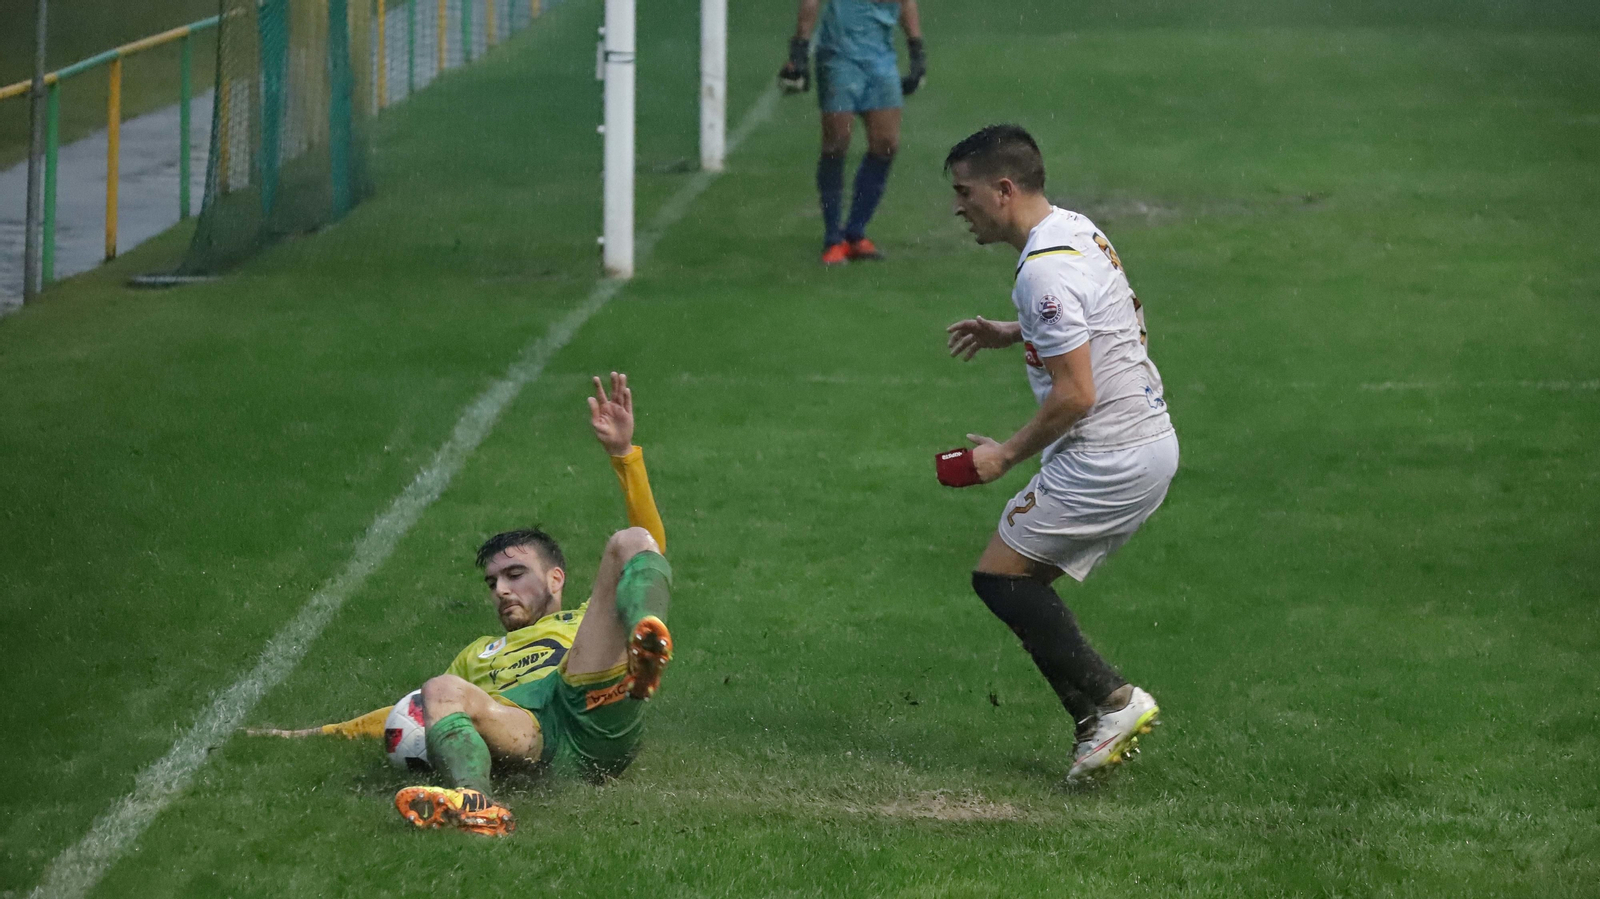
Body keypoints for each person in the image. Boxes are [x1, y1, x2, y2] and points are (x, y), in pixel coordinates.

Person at [249, 373, 674, 835]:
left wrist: (623, 456)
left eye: (515, 575)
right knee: (439, 688)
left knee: (631, 540)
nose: (502, 590)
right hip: (533, 737)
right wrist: (314, 734)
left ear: (556, 578)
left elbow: (648, 545)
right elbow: (407, 713)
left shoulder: (585, 619)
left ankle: (645, 641)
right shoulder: (479, 653)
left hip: (595, 707)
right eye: (492, 582)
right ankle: (477, 803)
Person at [939, 125, 1178, 782]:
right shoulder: (1075, 228)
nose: (959, 207)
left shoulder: (1043, 269)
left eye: (965, 192)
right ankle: (1094, 722)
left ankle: (1111, 703)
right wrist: (1013, 331)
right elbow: (1105, 312)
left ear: (1004, 189)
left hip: (1109, 455)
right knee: (1023, 581)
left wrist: (1005, 455)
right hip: (1147, 439)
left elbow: (1075, 394)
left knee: (1000, 577)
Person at [779, 0, 925, 266]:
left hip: (881, 58)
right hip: (838, 56)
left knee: (887, 144)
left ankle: (856, 232)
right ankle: (833, 238)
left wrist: (916, 49)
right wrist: (799, 49)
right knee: (836, 143)